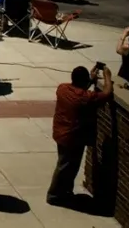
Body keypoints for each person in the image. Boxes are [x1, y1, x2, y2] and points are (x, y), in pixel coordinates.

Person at [47, 65, 113, 206]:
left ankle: (65, 192)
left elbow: (79, 93)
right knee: (65, 167)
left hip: (60, 133)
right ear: (84, 81)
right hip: (73, 137)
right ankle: (54, 195)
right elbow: (106, 94)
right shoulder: (85, 98)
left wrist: (90, 79)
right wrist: (107, 76)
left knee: (67, 166)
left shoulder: (62, 89)